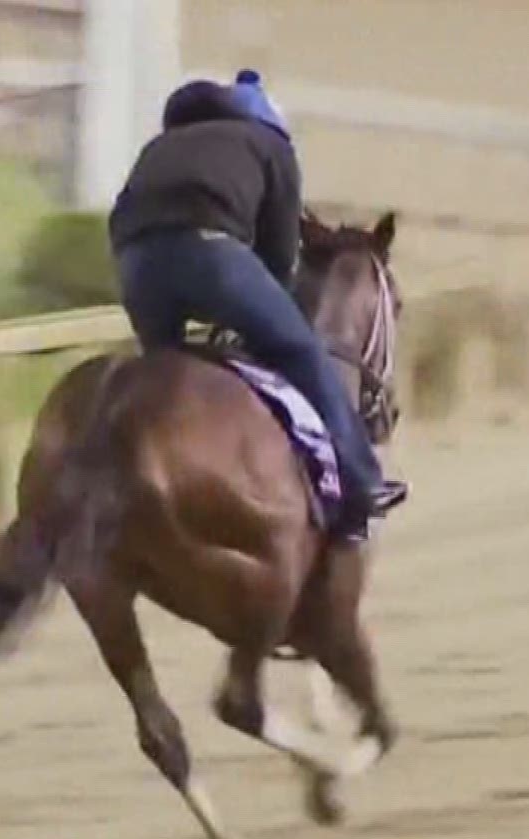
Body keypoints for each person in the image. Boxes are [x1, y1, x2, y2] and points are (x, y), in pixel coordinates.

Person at [107, 71, 407, 542]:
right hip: (213, 257)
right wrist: (258, 310)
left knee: (163, 376)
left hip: (135, 266)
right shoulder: (271, 147)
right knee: (304, 353)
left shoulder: (160, 147)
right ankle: (363, 482)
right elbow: (280, 256)